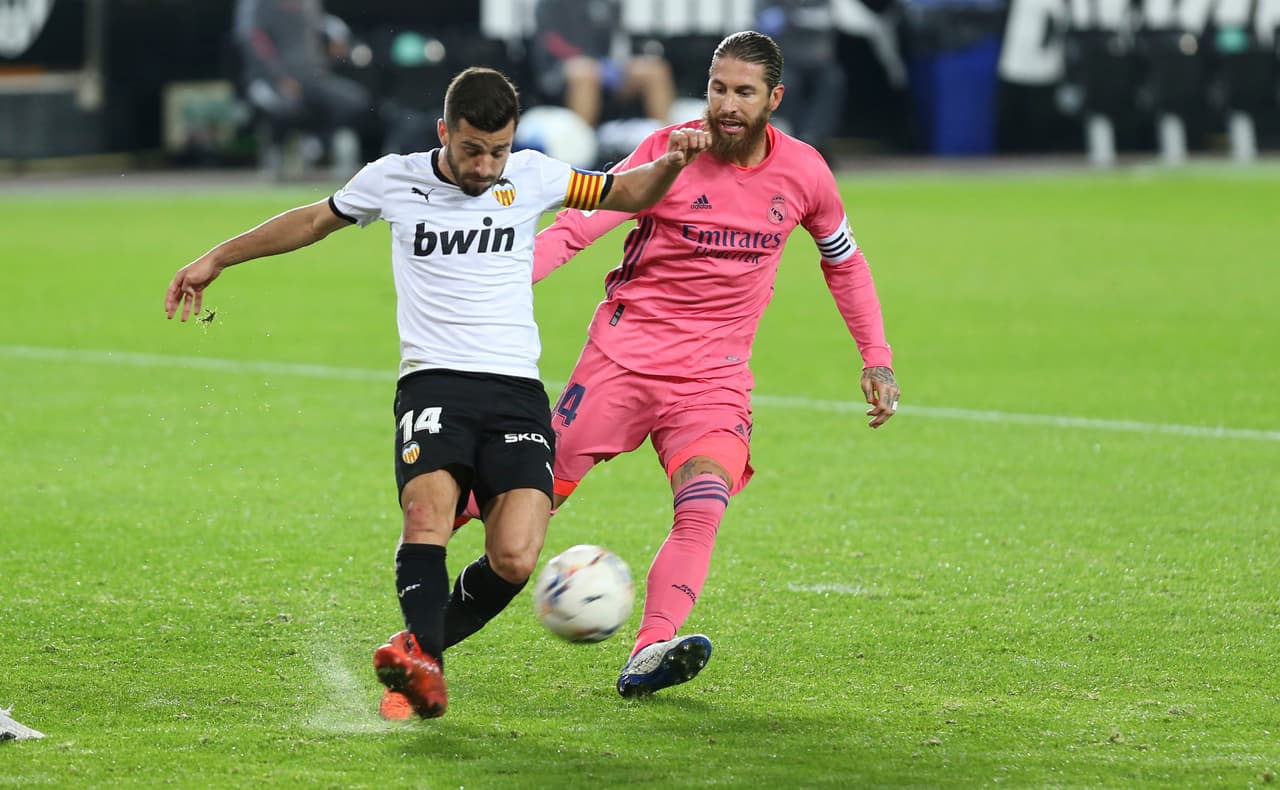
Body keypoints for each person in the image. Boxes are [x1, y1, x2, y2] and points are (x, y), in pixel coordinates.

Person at [163, 66, 710, 720]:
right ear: (444, 131)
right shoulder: (393, 179)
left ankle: (418, 649)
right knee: (427, 517)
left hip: (516, 391)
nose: (485, 166)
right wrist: (217, 257)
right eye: (472, 149)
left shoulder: (536, 174)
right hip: (434, 383)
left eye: (498, 151)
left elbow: (628, 192)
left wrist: (673, 163)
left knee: (515, 557)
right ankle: (428, 669)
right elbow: (311, 221)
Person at [532, 31, 900, 698]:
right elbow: (578, 227)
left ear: (774, 99)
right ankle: (435, 542)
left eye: (743, 93)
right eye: (717, 88)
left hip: (714, 379)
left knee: (703, 502)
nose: (727, 105)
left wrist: (876, 357)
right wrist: (497, 284)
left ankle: (650, 650)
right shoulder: (667, 153)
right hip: (622, 362)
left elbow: (844, 262)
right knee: (527, 504)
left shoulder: (806, 173)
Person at [232, 0, 372, 176]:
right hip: (268, 79)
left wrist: (338, 39)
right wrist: (279, 76)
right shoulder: (256, 3)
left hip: (312, 76)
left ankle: (317, 145)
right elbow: (252, 37)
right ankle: (276, 154)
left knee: (353, 100)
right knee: (284, 107)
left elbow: (321, 23)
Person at [530, 0, 676, 127]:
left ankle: (665, 141)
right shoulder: (549, 4)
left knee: (655, 70)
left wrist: (616, 63)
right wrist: (592, 62)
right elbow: (552, 43)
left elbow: (619, 41)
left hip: (604, 68)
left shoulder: (606, 3)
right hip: (560, 70)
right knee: (586, 72)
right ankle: (583, 144)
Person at [755, 0, 847, 156]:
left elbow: (831, 20)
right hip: (782, 59)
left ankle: (812, 137)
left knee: (833, 80)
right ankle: (788, 135)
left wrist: (795, 19)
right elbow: (765, 24)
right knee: (786, 83)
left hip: (817, 60)